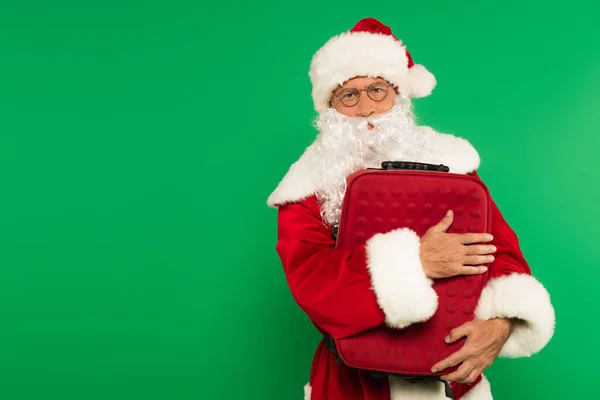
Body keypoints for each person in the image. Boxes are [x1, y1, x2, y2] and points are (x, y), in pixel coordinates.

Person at [266, 17, 555, 400]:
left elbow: (501, 253)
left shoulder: (454, 164)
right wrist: (415, 263)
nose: (366, 108)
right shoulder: (305, 188)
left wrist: (501, 324)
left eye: (376, 89)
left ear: (399, 95)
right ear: (329, 106)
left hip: (452, 383)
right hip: (354, 386)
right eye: (348, 95)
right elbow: (311, 283)